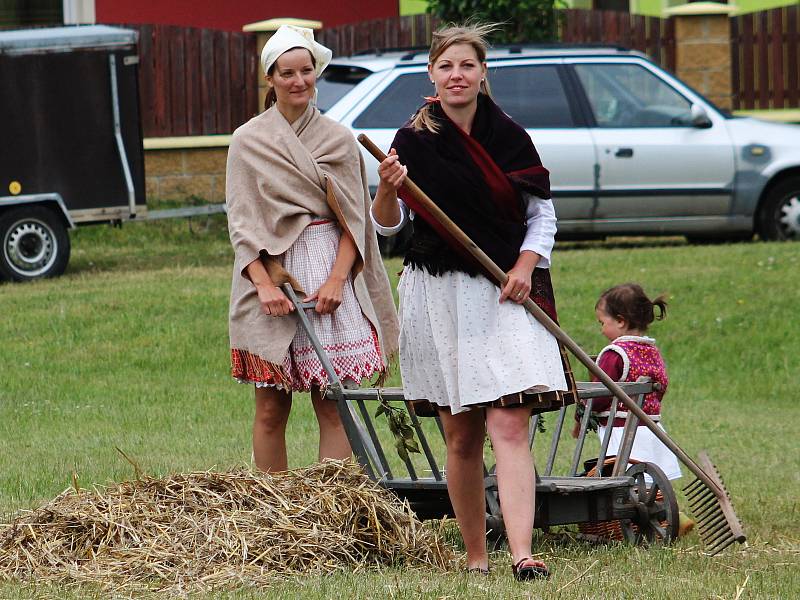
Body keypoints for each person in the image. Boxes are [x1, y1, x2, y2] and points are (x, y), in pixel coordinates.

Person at [371, 24, 577, 581]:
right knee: (461, 432)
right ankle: (476, 557)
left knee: (509, 423)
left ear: (483, 73)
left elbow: (542, 216)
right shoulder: (412, 140)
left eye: (467, 66)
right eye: (446, 67)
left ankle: (522, 554)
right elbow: (389, 227)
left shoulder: (510, 137)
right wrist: (388, 188)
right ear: (432, 76)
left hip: (505, 293)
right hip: (439, 291)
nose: (457, 75)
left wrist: (524, 269)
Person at [225, 25, 399, 473]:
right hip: (271, 274)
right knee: (270, 408)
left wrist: (337, 280)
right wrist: (263, 285)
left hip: (329, 267)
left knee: (333, 404)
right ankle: (274, 514)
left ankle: (328, 513)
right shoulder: (247, 140)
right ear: (270, 78)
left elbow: (355, 220)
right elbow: (241, 222)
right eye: (287, 73)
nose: (298, 81)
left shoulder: (338, 138)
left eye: (307, 71)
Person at [571, 283, 693, 535]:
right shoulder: (650, 350)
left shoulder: (614, 354)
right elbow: (661, 384)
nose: (601, 328)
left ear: (621, 321)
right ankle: (667, 516)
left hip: (621, 428)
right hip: (650, 425)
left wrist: (582, 410)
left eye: (602, 322)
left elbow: (600, 393)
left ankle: (628, 522)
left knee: (627, 481)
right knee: (650, 481)